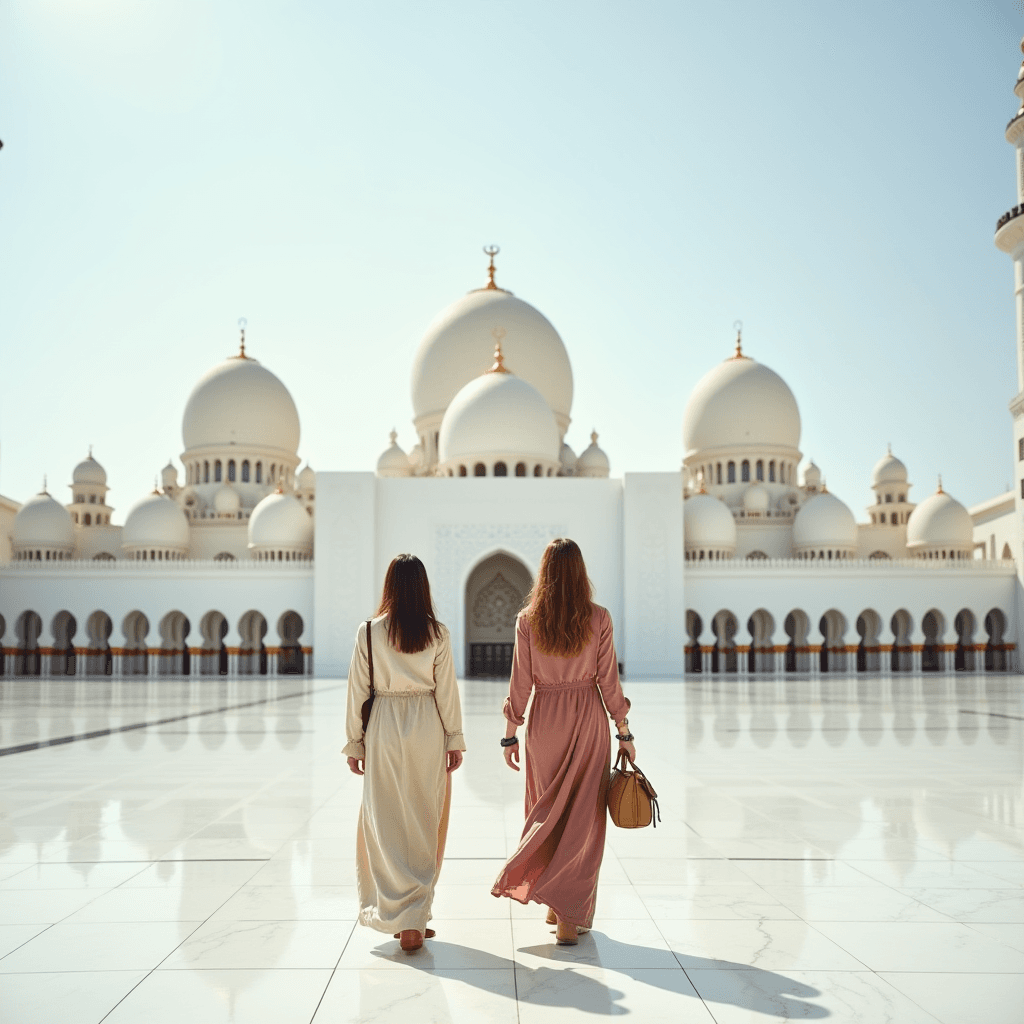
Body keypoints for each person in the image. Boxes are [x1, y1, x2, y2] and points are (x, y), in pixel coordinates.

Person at [491, 538, 635, 945]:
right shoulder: (599, 618)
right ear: (580, 573)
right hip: (588, 720)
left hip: (544, 724)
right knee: (582, 821)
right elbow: (608, 681)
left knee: (547, 813)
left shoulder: (528, 620)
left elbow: (520, 683)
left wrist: (510, 735)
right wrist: (623, 731)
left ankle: (555, 906)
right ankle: (569, 915)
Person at [343, 554, 466, 953]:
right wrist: (453, 739)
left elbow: (358, 692)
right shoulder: (439, 634)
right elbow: (446, 691)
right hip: (427, 724)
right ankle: (416, 917)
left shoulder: (368, 633)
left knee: (385, 821)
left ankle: (402, 916)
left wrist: (355, 742)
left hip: (384, 725)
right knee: (424, 819)